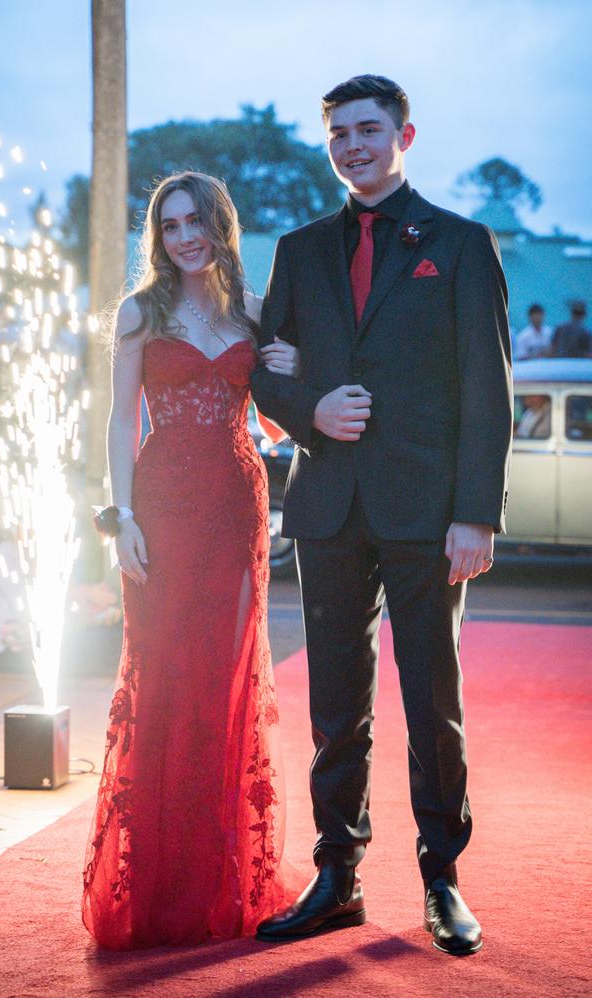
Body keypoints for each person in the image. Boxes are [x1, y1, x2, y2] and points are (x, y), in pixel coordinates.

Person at [251, 75, 513, 956]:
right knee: (335, 703)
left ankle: (442, 876)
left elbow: (488, 386)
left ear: (404, 133)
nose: (353, 146)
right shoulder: (299, 247)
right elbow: (263, 369)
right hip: (326, 504)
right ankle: (338, 877)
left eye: (368, 130)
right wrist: (308, 410)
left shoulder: (463, 244)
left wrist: (476, 513)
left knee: (432, 697)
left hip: (427, 511)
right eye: (338, 135)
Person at [81, 171, 302, 949]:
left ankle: (221, 874)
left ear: (219, 224)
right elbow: (119, 420)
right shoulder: (140, 314)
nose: (183, 237)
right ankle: (160, 887)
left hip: (237, 504)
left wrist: (294, 381)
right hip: (162, 509)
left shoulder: (251, 311)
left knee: (227, 676)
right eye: (169, 226)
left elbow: (276, 415)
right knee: (166, 675)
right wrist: (122, 519)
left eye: (195, 222)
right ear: (158, 236)